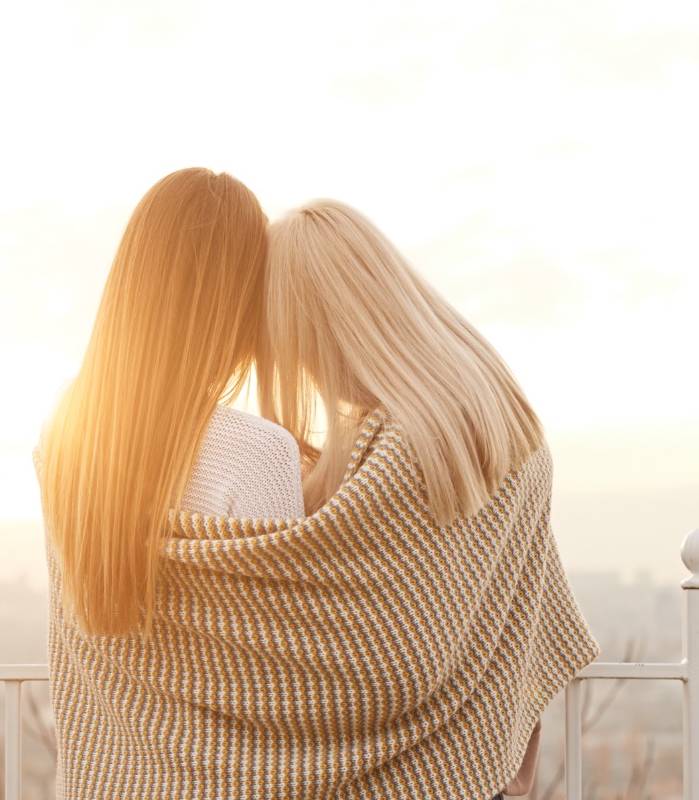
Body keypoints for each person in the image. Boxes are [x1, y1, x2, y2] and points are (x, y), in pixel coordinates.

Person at [41, 185, 594, 799]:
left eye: (290, 340)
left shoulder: (69, 441)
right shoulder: (496, 427)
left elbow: (319, 641)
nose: (297, 366)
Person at [262, 199, 583, 798]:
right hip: (473, 764)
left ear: (325, 326)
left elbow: (350, 626)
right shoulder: (491, 408)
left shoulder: (400, 444)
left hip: (408, 776)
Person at [35, 167, 303, 638]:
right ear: (242, 299)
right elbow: (283, 647)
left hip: (97, 692)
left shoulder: (66, 420)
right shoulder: (260, 455)